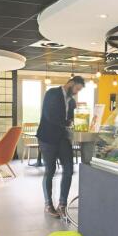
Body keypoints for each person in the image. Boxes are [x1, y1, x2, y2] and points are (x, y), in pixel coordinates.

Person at [36, 76, 85, 217]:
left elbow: (72, 119)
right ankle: (48, 205)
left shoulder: (72, 102)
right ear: (70, 83)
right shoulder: (52, 93)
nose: (76, 92)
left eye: (79, 90)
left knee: (68, 169)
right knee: (50, 171)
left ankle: (62, 205)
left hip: (63, 138)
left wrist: (79, 120)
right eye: (76, 89)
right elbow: (49, 115)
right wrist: (67, 123)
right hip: (47, 138)